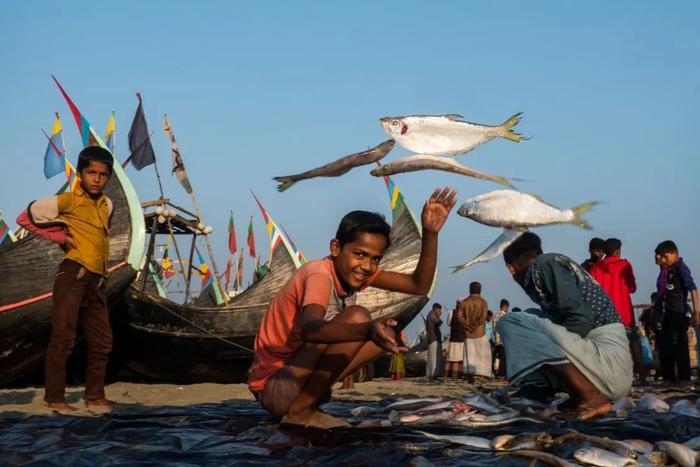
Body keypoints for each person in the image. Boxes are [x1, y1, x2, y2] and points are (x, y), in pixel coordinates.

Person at [247, 187, 457, 429]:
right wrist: (366, 329)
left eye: (375, 258)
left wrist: (430, 235)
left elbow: (418, 285)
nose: (367, 266)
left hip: (297, 382)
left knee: (391, 332)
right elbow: (311, 330)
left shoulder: (353, 272)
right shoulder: (319, 274)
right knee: (359, 317)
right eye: (359, 254)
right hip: (276, 385)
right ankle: (302, 411)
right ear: (336, 248)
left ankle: (309, 401)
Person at [16, 146, 115, 413]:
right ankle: (55, 398)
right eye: (91, 172)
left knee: (103, 341)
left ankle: (94, 396)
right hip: (73, 274)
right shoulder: (68, 200)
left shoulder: (107, 204)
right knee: (63, 337)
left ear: (109, 177)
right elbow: (24, 217)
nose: (96, 178)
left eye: (103, 174)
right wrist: (60, 237)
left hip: (98, 279)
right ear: (81, 174)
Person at [495, 232, 632, 421]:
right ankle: (539, 392)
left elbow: (581, 319)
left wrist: (542, 346)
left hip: (607, 364)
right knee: (532, 318)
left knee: (511, 321)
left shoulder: (544, 264)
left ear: (510, 268)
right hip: (603, 370)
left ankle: (591, 396)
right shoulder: (546, 268)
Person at [589, 238, 647, 383]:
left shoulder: (596, 268)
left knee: (608, 348)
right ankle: (643, 377)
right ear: (617, 251)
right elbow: (632, 288)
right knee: (634, 343)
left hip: (605, 315)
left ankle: (611, 379)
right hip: (624, 313)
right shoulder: (624, 265)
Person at [654, 240, 699, 384]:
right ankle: (669, 377)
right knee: (665, 346)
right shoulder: (665, 270)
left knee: (679, 345)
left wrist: (696, 312)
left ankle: (684, 378)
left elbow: (692, 289)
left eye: (664, 256)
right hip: (666, 312)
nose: (662, 259)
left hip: (678, 312)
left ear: (674, 253)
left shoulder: (681, 268)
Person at [456, 282, 491, 382]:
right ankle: (482, 375)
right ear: (480, 290)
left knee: (469, 355)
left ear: (470, 289)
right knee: (484, 354)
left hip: (468, 333)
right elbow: (483, 317)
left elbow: (459, 317)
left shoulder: (464, 302)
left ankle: (470, 376)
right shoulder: (483, 302)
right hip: (480, 332)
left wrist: (467, 324)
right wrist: (475, 325)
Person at [444, 299, 466, 379]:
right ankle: (450, 376)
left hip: (461, 340)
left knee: (459, 359)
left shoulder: (464, 314)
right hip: (454, 339)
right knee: (452, 358)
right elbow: (449, 323)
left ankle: (457, 376)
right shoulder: (451, 312)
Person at [491, 299, 509, 378]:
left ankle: (497, 374)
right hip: (503, 340)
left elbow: (493, 329)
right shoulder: (505, 316)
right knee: (503, 358)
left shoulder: (494, 316)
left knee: (498, 357)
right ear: (505, 307)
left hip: (496, 340)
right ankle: (502, 375)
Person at [425, 303, 443, 380]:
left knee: (433, 358)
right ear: (435, 309)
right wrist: (438, 316)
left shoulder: (430, 315)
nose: (440, 311)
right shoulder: (432, 315)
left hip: (433, 339)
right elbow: (439, 322)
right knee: (433, 358)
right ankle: (433, 375)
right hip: (433, 339)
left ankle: (432, 375)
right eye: (439, 310)